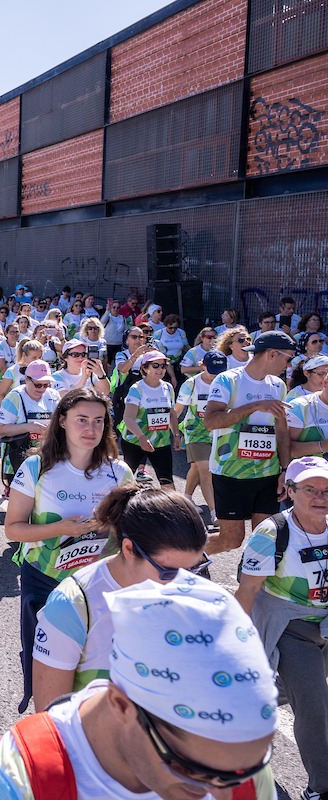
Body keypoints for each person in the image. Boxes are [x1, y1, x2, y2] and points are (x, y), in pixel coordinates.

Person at [0, 571, 279, 800]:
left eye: (242, 773)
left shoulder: (237, 761)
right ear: (121, 703)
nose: (220, 793)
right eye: (193, 771)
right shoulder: (17, 783)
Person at [5, 388, 132, 712]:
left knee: (95, 673)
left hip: (100, 585)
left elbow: (130, 532)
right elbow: (13, 528)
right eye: (81, 420)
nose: (90, 429)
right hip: (46, 581)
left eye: (99, 421)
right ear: (61, 421)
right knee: (51, 677)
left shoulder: (119, 471)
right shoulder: (36, 468)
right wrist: (62, 529)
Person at [32, 486, 210, 709]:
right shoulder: (72, 605)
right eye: (169, 572)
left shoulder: (195, 592)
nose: (184, 584)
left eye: (194, 568)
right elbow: (50, 716)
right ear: (129, 549)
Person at [238, 455, 328, 800]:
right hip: (290, 628)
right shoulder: (272, 532)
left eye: (325, 489)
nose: (319, 496)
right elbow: (248, 591)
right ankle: (321, 787)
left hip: (323, 623)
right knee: (316, 707)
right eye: (309, 489)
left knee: (291, 692)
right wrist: (239, 645)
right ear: (289, 490)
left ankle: (233, 712)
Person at [203, 330, 295, 555]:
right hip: (231, 472)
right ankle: (183, 556)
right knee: (231, 539)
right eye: (288, 358)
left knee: (265, 537)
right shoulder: (228, 379)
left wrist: (285, 469)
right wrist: (255, 406)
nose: (289, 365)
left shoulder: (278, 385)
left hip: (267, 473)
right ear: (272, 354)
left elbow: (281, 431)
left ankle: (251, 581)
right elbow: (211, 421)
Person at [173, 351, 226, 525]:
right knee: (206, 470)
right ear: (202, 365)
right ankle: (215, 513)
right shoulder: (191, 384)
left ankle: (186, 498)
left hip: (218, 431)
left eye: (219, 370)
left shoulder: (226, 382)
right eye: (212, 370)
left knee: (196, 467)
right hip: (195, 431)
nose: (215, 374)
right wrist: (175, 434)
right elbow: (177, 410)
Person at [0, 360, 62, 487]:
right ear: (26, 379)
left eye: (46, 385)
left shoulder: (53, 395)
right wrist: (30, 427)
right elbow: (1, 429)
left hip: (47, 457)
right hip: (18, 460)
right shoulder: (14, 397)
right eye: (38, 385)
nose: (42, 389)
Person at [118, 351, 177, 486]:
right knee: (125, 482)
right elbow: (128, 418)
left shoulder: (168, 387)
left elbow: (172, 414)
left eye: (163, 366)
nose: (160, 369)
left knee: (167, 481)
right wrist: (142, 437)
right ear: (145, 368)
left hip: (161, 442)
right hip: (135, 441)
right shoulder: (137, 388)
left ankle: (170, 507)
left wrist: (177, 435)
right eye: (155, 365)